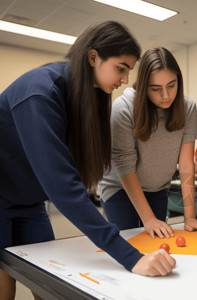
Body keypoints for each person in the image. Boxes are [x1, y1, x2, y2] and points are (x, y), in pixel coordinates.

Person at [0, 21, 176, 300]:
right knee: (4, 286)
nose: (124, 79)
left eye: (128, 71)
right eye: (121, 68)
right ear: (94, 57)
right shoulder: (40, 92)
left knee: (45, 283)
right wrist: (130, 257)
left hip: (30, 202)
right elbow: (62, 185)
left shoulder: (85, 98)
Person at [99, 47, 197, 239]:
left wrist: (190, 217)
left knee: (157, 242)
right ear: (144, 85)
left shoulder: (187, 108)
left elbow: (186, 165)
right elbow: (125, 167)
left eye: (172, 85)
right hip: (120, 188)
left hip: (158, 188)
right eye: (156, 89)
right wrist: (148, 219)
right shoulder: (124, 108)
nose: (166, 96)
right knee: (130, 244)